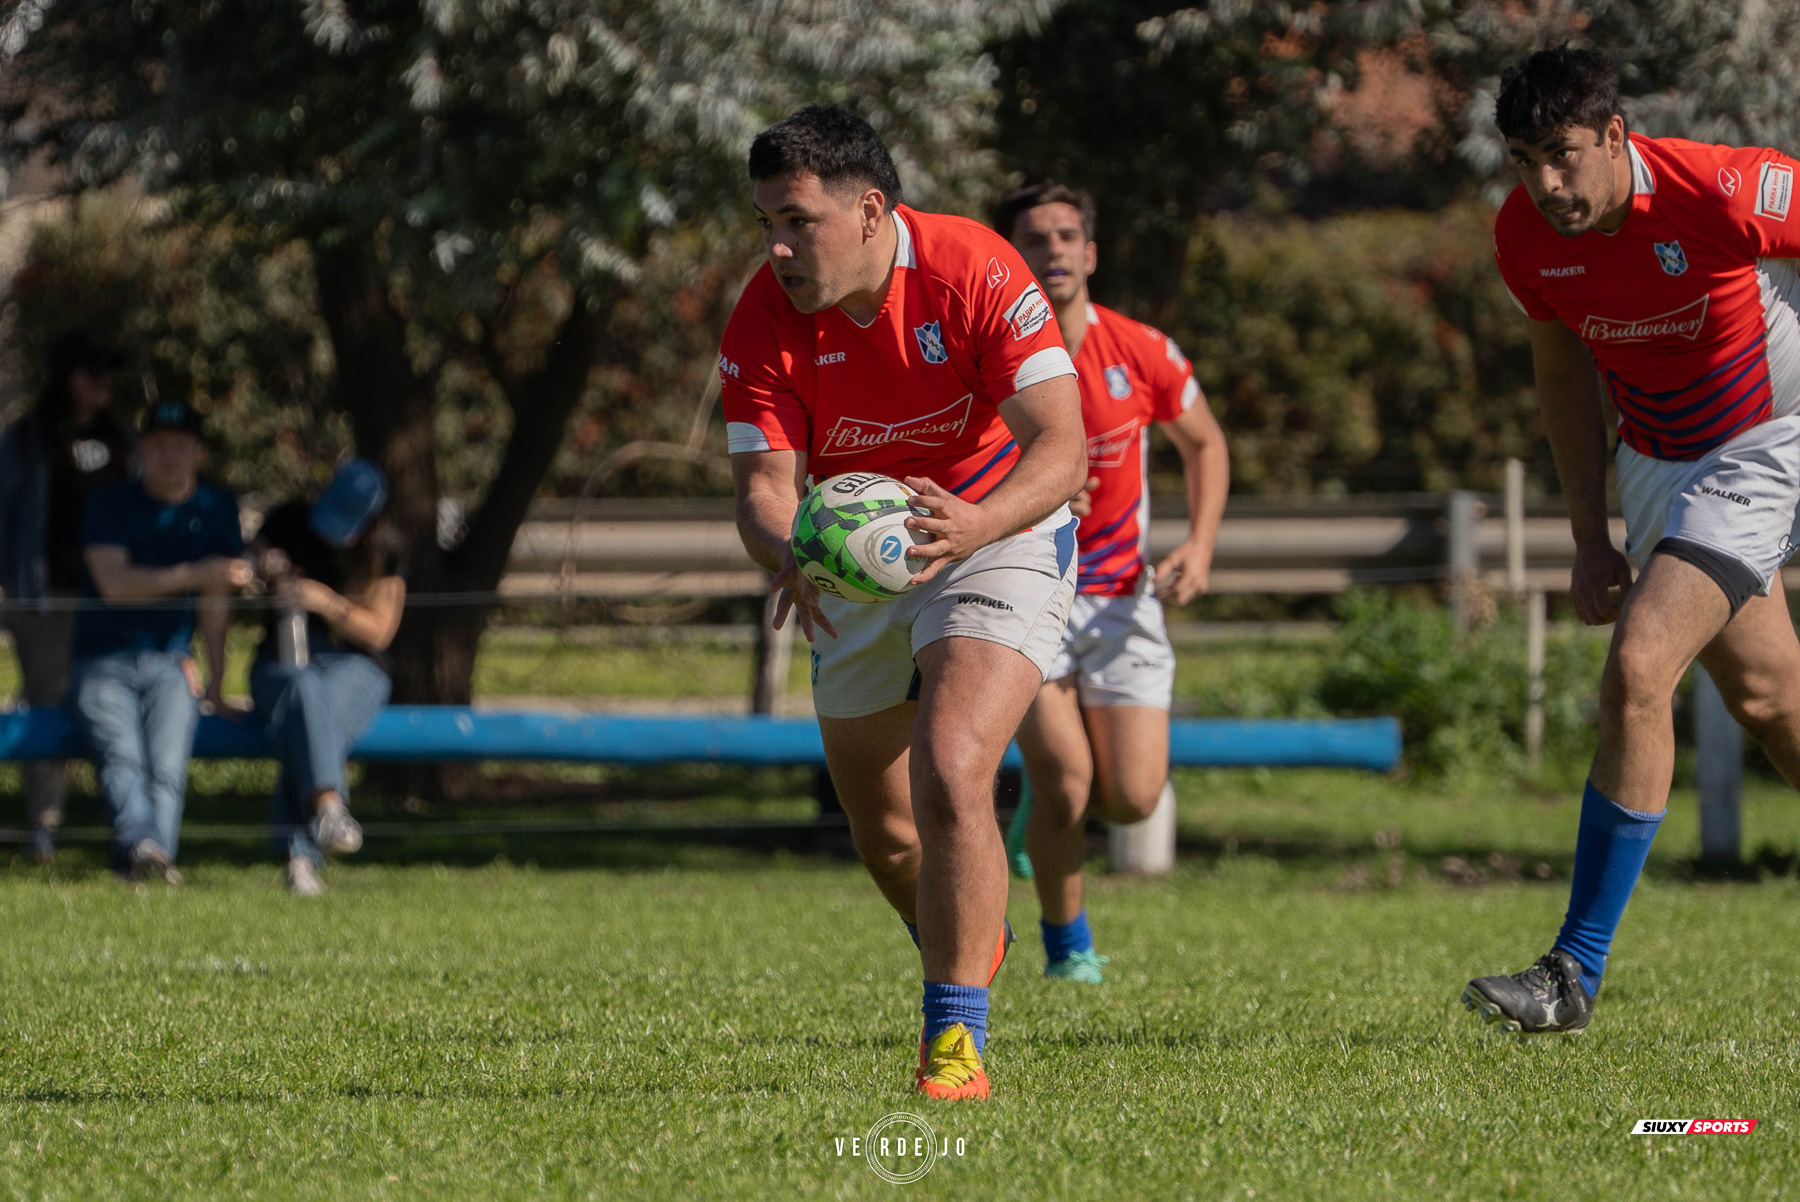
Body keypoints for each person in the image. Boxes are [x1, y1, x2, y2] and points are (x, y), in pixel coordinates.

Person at [720, 105, 1086, 1099]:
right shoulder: (763, 314)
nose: (779, 246)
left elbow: (1063, 444)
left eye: (797, 221)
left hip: (994, 526)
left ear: (873, 209)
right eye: (766, 224)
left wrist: (977, 522)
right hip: (845, 564)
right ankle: (976, 928)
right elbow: (762, 487)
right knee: (887, 835)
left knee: (955, 764)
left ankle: (954, 1044)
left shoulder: (975, 268)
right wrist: (784, 546)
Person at [1464, 46, 1800, 1035]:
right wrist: (1586, 533)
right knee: (1771, 696)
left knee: (1639, 667)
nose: (1546, 183)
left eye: (1563, 154)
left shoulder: (1725, 188)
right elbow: (1563, 375)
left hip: (1761, 440)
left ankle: (1573, 971)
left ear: (1618, 136)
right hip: (1656, 456)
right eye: (1526, 159)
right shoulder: (1524, 235)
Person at [992, 183, 1230, 983]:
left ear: (1090, 254)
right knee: (1066, 782)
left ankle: (1035, 813)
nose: (1052, 250)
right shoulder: (982, 360)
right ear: (1008, 256)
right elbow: (951, 464)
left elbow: (1205, 444)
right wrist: (1027, 482)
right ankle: (1069, 947)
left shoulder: (1143, 350)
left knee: (1130, 798)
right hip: (1027, 585)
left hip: (1125, 597)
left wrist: (1198, 543)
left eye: (1066, 236)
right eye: (1034, 238)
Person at [70, 399, 253, 884]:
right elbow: (115, 584)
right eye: (157, 445)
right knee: (121, 756)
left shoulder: (216, 508)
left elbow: (217, 597)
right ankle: (145, 849)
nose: (168, 455)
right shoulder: (108, 504)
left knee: (168, 767)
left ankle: (150, 858)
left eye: (179, 446)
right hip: (102, 658)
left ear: (199, 453)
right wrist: (197, 571)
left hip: (173, 660)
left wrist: (216, 678)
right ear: (142, 452)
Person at [0, 332, 135, 863]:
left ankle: (129, 829)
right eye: (92, 372)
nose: (104, 383)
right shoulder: (29, 439)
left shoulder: (125, 440)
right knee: (47, 704)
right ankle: (44, 830)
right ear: (66, 378)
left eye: (108, 373)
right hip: (47, 600)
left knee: (116, 708)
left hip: (115, 602)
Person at [249, 459, 403, 896]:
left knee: (314, 715)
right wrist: (263, 563)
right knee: (304, 692)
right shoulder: (288, 520)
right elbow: (248, 553)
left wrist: (327, 603)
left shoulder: (384, 548)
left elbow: (381, 631)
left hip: (355, 665)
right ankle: (330, 810)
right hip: (284, 659)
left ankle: (299, 858)